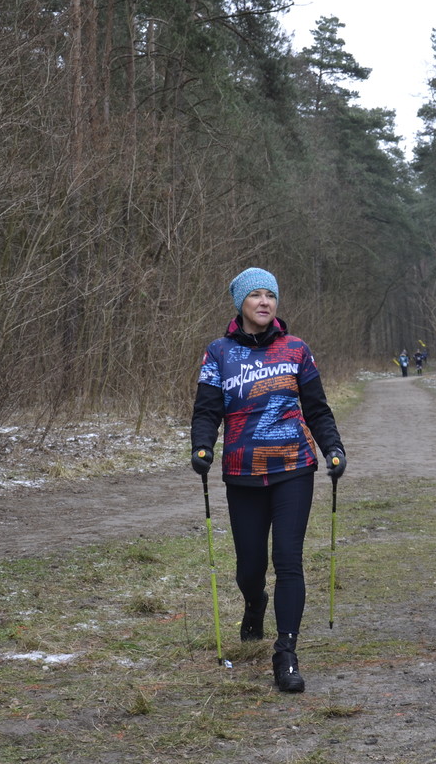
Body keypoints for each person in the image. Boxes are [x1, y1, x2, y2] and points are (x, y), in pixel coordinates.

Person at [190, 267, 346, 693]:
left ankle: (286, 652)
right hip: (242, 473)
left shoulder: (296, 350)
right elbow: (207, 409)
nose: (264, 302)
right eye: (255, 295)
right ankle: (254, 602)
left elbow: (317, 408)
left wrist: (332, 446)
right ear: (240, 303)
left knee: (288, 560)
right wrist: (202, 446)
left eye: (270, 295)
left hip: (294, 468)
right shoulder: (218, 353)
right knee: (250, 567)